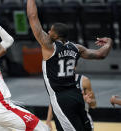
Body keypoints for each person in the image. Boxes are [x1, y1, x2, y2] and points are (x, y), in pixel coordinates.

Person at [27, 0, 112, 130]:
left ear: (55, 35)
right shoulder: (76, 48)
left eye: (50, 31)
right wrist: (109, 42)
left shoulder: (49, 46)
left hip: (60, 98)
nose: (48, 32)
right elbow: (101, 54)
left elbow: (33, 17)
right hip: (76, 94)